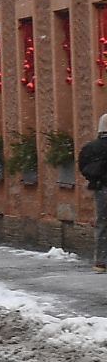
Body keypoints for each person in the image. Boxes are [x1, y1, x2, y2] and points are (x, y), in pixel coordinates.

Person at [80, 113, 107, 275]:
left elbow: (83, 166)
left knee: (103, 224)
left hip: (101, 188)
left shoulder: (91, 147)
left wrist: (95, 178)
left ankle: (101, 261)